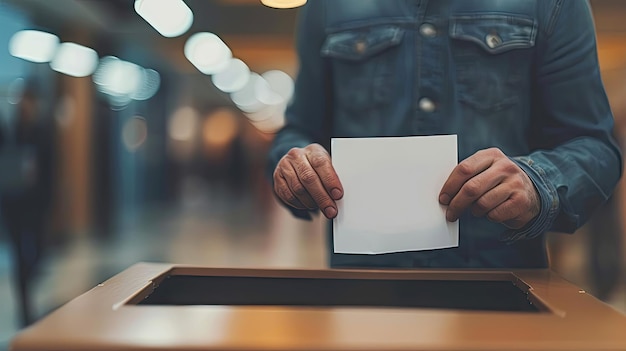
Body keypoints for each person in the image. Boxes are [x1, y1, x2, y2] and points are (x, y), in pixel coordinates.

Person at [267, 0, 623, 269]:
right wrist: (295, 164)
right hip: (364, 287)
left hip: (499, 287)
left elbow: (594, 145)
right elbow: (300, 129)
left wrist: (537, 183)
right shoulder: (328, 7)